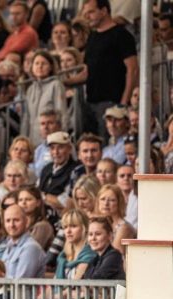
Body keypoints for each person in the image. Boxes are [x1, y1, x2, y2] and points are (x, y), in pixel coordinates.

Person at [82, 0, 137, 137]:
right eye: (85, 13)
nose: (87, 17)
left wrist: (124, 102)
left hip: (112, 101)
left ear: (104, 11)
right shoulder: (92, 37)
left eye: (91, 12)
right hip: (90, 102)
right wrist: (65, 81)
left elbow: (133, 69)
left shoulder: (122, 35)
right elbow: (87, 71)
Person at [23, 51, 66, 146]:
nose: (40, 66)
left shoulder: (56, 85)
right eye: (36, 63)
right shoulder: (30, 89)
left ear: (50, 67)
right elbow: (26, 117)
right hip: (33, 141)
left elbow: (61, 113)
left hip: (52, 141)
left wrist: (61, 138)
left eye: (44, 63)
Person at [0, 204, 45, 278]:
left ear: (26, 221)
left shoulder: (31, 247)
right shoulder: (8, 245)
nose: (11, 225)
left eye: (16, 220)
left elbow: (21, 283)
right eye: (8, 221)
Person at [39, 131, 79, 212]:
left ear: (69, 149)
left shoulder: (76, 170)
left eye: (60, 147)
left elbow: (66, 203)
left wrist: (43, 196)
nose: (56, 152)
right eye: (52, 148)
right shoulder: (46, 168)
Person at [55, 209, 95, 279]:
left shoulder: (89, 254)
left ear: (84, 228)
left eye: (73, 226)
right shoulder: (63, 256)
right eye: (65, 227)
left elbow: (76, 286)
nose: (68, 231)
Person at [96, 184, 135, 254]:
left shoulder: (124, 228)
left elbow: (114, 256)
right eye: (102, 199)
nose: (106, 203)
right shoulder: (97, 224)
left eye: (111, 200)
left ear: (119, 203)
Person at [32, 110, 62, 176]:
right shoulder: (39, 150)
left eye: (50, 123)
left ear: (59, 126)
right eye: (42, 124)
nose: (45, 127)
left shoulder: (66, 147)